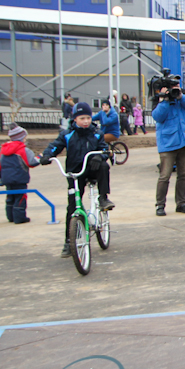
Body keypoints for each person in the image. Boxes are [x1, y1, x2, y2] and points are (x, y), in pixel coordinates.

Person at [40, 102, 114, 257]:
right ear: (75, 119)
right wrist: (47, 155)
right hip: (75, 173)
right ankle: (69, 242)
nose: (86, 121)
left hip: (92, 169)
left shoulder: (97, 133)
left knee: (104, 166)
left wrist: (99, 156)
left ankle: (103, 197)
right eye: (82, 118)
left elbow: (106, 150)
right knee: (72, 206)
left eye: (88, 117)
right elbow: (55, 146)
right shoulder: (67, 134)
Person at [153, 84, 185, 216]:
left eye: (177, 86)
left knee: (183, 175)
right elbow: (157, 117)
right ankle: (160, 205)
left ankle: (181, 203)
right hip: (168, 143)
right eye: (173, 86)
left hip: (184, 141)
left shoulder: (183, 97)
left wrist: (181, 96)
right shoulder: (162, 99)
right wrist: (164, 100)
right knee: (164, 176)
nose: (175, 88)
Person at [0, 123, 40, 224]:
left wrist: (0, 176)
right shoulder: (23, 150)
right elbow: (32, 162)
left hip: (7, 178)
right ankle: (19, 218)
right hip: (20, 178)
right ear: (22, 138)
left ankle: (10, 217)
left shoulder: (3, 149)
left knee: (10, 196)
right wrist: (40, 158)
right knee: (20, 197)